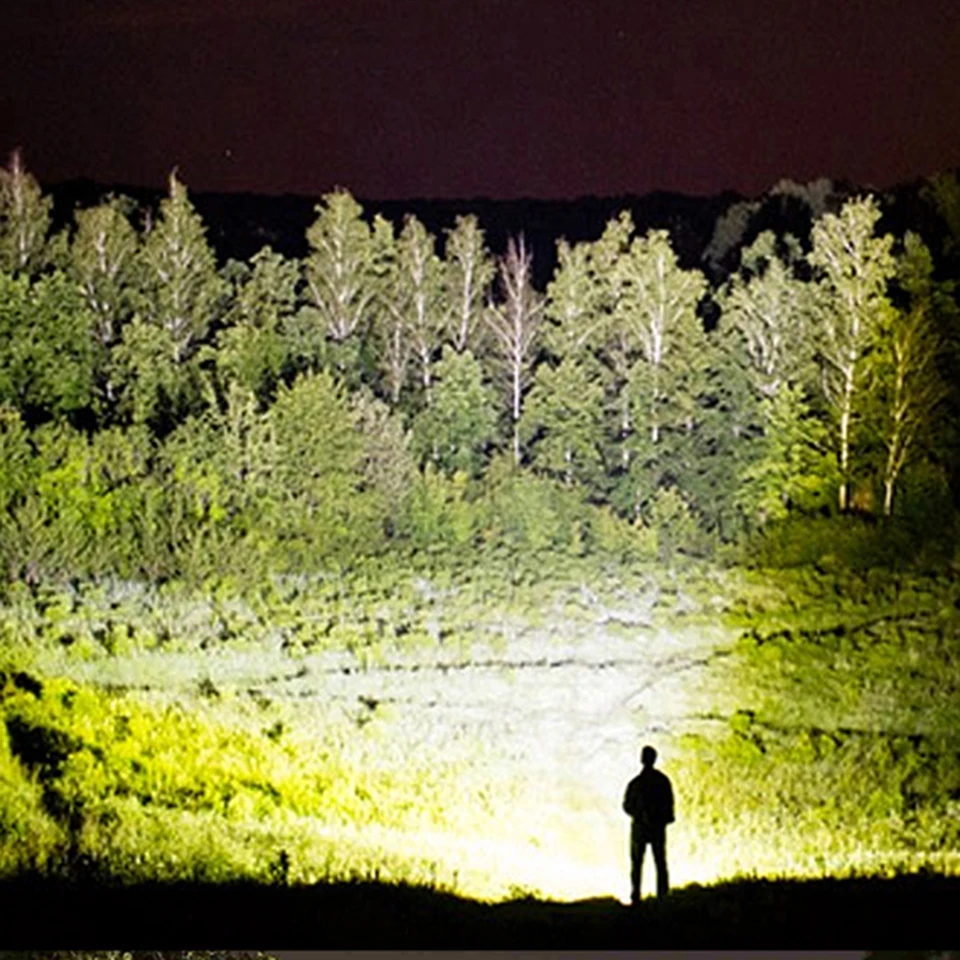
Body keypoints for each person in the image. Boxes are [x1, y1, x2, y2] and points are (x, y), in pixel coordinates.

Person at [622, 744, 674, 903]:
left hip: (640, 828)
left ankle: (636, 895)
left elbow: (627, 805)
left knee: (637, 863)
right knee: (659, 862)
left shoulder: (636, 783)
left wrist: (640, 815)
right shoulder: (662, 781)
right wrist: (660, 819)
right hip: (656, 828)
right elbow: (669, 806)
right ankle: (662, 896)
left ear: (642, 760)